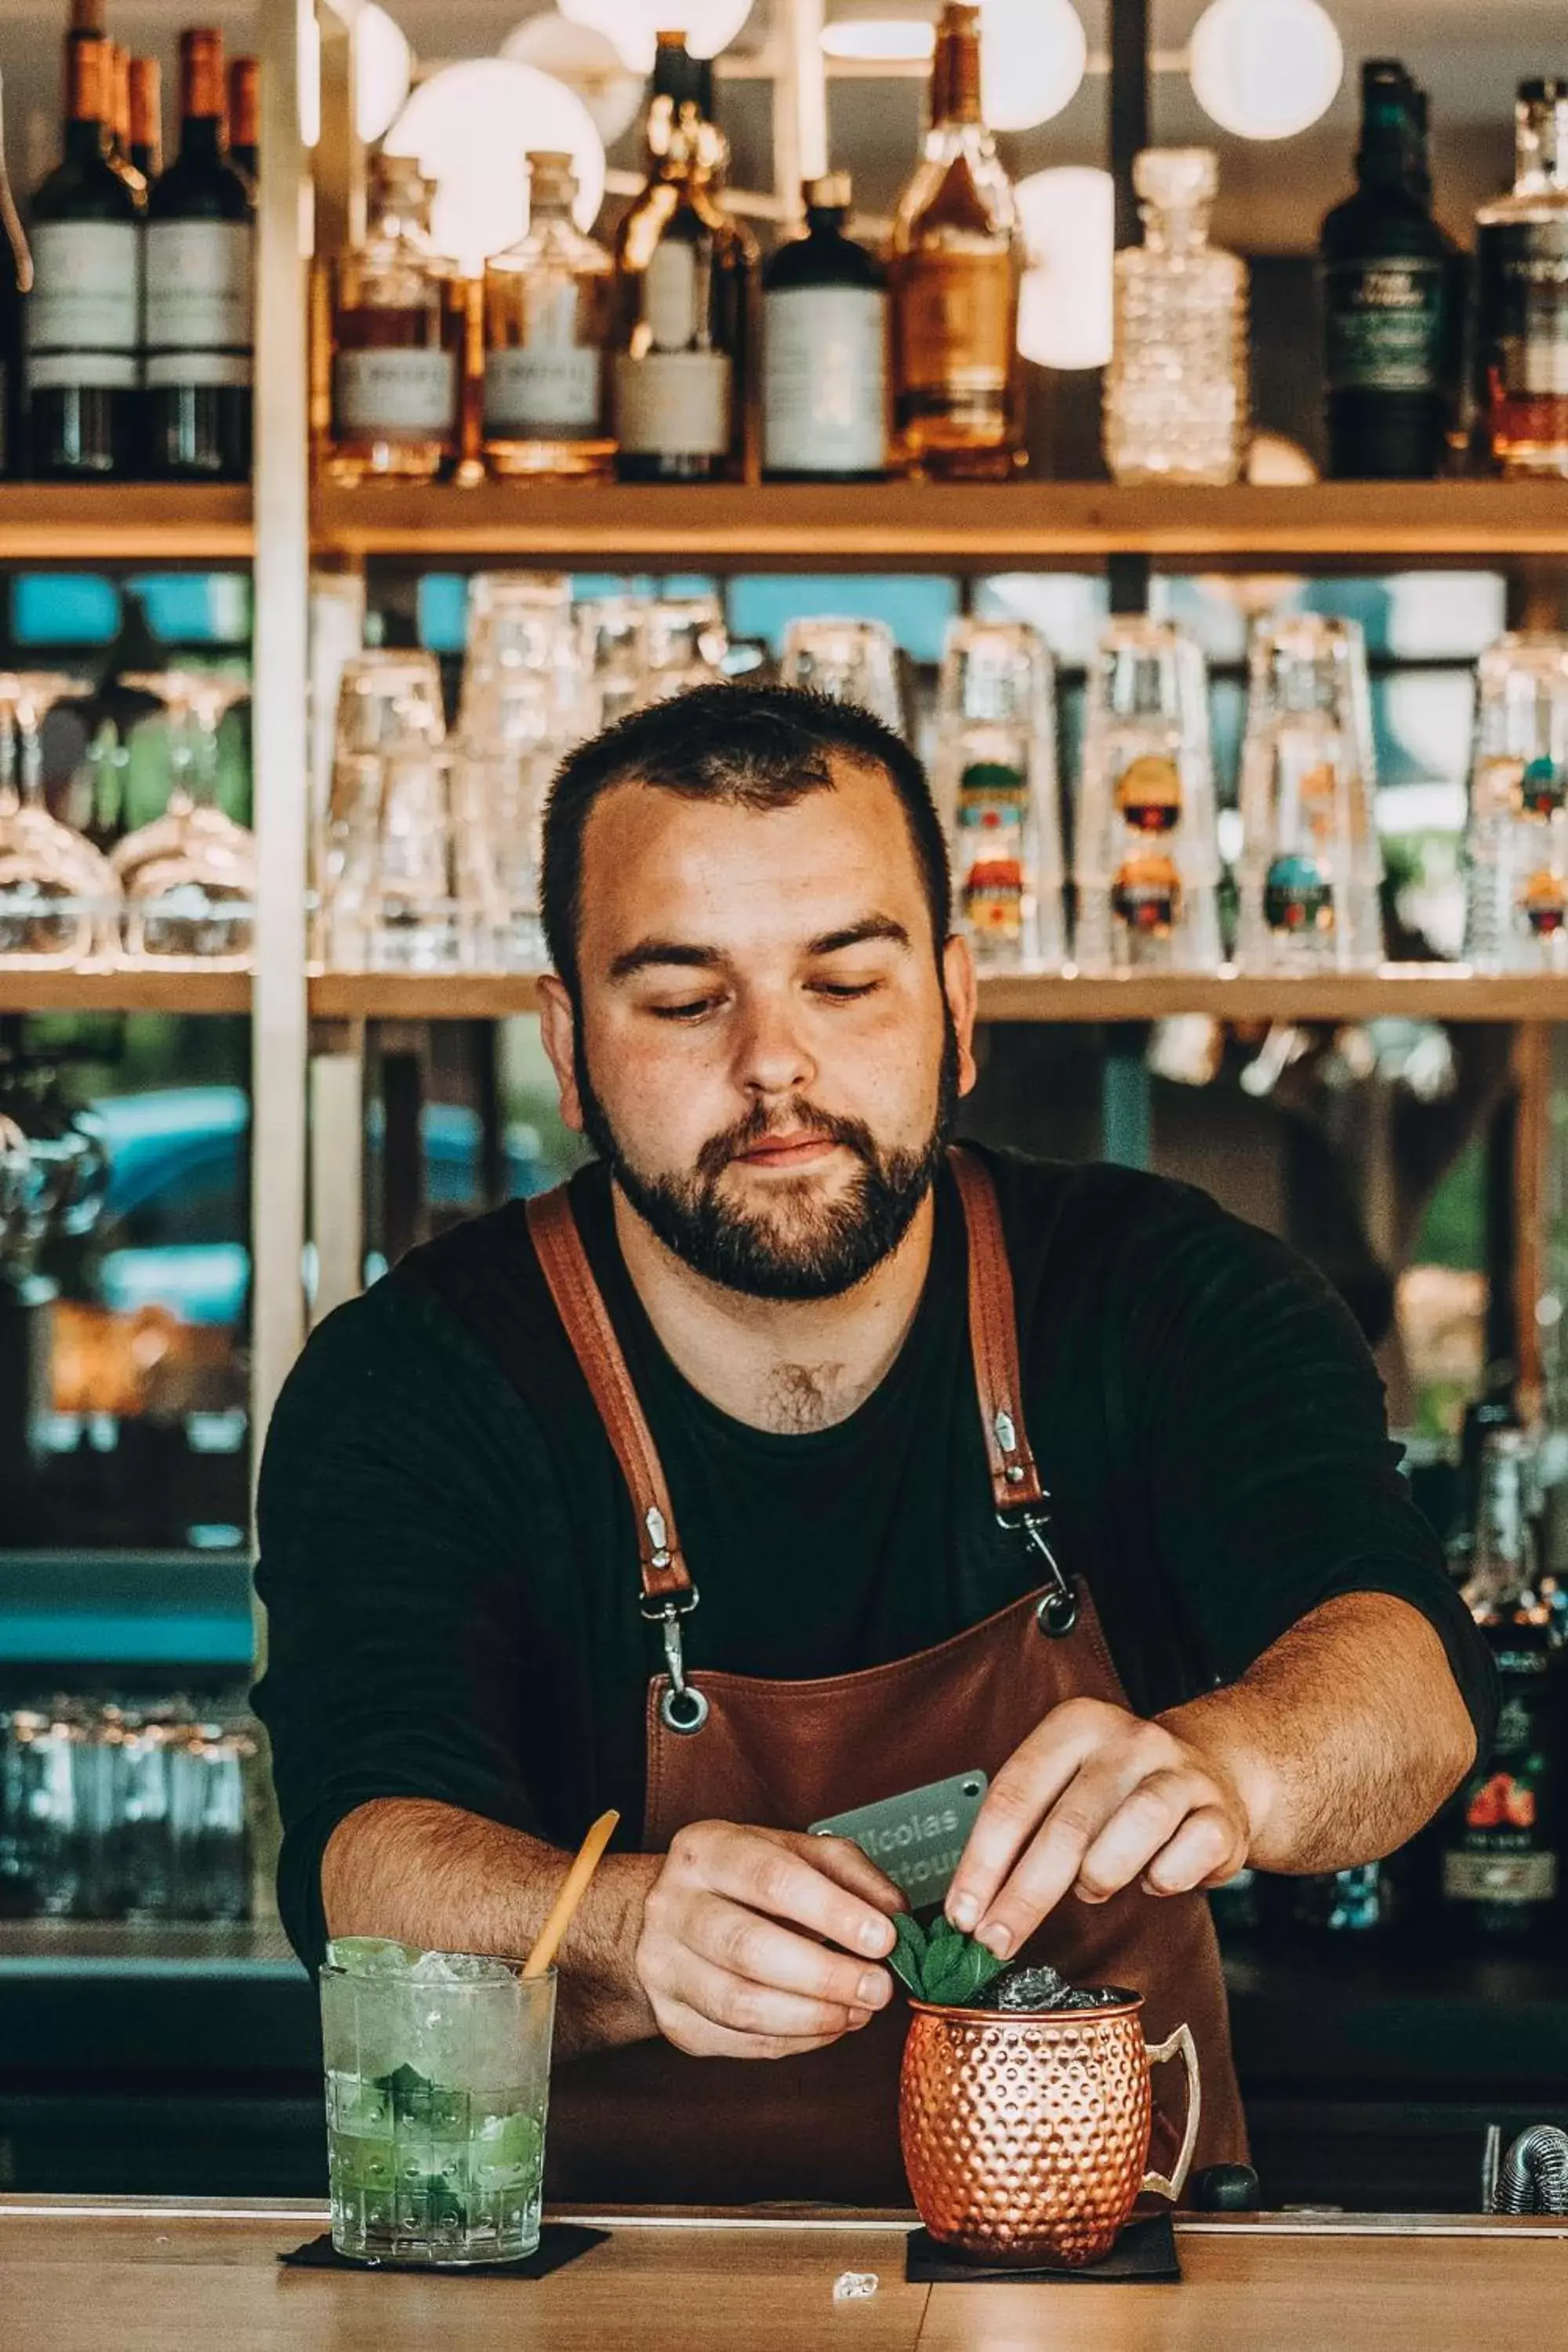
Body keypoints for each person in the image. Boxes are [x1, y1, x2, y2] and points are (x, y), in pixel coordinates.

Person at [253, 684, 1493, 2204]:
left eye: (845, 982)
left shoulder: (1166, 1292)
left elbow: (1407, 1687)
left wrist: (1224, 1768)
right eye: (682, 996)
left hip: (1106, 2278)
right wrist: (624, 1931)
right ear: (567, 1041)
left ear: (958, 1004)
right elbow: (362, 1860)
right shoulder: (418, 1378)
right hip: (597, 2291)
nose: (775, 1065)